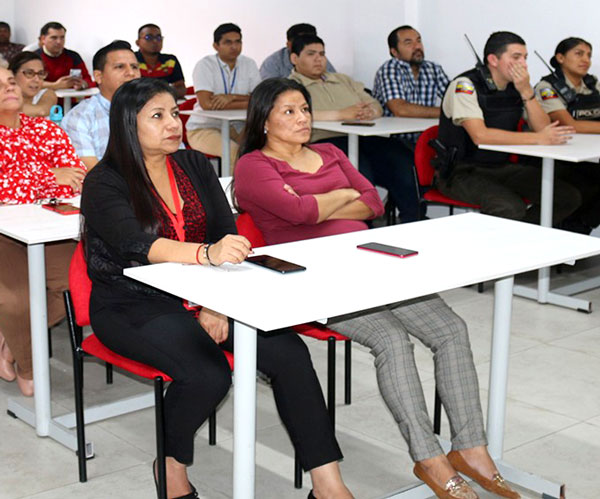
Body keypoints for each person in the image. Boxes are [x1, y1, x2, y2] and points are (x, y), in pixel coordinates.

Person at [234, 77, 521, 499]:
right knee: (391, 339)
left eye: (305, 109)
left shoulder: (330, 151)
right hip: (315, 278)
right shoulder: (254, 166)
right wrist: (338, 195)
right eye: (289, 111)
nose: (302, 118)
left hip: (373, 261)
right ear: (264, 121)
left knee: (451, 330)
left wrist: (323, 202)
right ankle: (429, 458)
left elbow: (374, 202)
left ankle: (471, 448)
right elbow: (296, 213)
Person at [80, 77, 353, 499]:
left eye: (174, 113)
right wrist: (207, 256)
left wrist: (218, 302)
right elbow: (135, 244)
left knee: (290, 354)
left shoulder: (193, 163)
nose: (173, 123)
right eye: (158, 116)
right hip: (132, 305)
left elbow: (226, 232)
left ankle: (328, 485)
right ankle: (170, 464)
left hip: (208, 293)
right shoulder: (105, 181)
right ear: (127, 125)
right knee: (207, 374)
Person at [434, 31, 581, 225]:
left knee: (566, 197)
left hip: (500, 167)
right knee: (509, 207)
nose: (524, 64)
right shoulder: (465, 85)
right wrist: (538, 139)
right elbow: (480, 136)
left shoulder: (516, 87)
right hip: (461, 171)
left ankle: (522, 240)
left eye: (525, 58)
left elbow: (545, 129)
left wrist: (527, 92)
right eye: (516, 57)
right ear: (493, 60)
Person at [0, 66, 85, 397]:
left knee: (77, 284)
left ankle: (10, 341)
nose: (9, 87)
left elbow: (75, 176)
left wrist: (28, 180)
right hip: (4, 233)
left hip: (47, 229)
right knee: (16, 301)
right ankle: (29, 364)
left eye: (10, 81)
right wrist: (49, 177)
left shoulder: (45, 129)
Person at [289, 34, 420, 223]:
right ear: (294, 58)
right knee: (359, 171)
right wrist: (343, 114)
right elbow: (298, 116)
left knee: (404, 160)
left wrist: (371, 112)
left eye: (322, 54)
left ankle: (412, 222)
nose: (319, 59)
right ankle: (363, 228)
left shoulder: (342, 79)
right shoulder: (292, 86)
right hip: (325, 142)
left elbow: (374, 103)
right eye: (311, 54)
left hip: (363, 136)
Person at [534, 37, 600, 233]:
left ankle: (581, 226)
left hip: (588, 154)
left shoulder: (592, 83)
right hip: (559, 158)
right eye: (579, 54)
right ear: (560, 58)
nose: (586, 60)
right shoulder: (546, 87)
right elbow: (569, 124)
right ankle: (571, 229)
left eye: (588, 55)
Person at [186, 23, 261, 159]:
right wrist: (248, 100)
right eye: (228, 42)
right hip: (204, 128)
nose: (234, 46)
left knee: (259, 150)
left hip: (237, 126)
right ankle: (236, 181)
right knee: (233, 152)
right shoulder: (205, 65)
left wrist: (231, 97)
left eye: (238, 42)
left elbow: (260, 98)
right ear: (216, 46)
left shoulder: (249, 64)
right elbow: (207, 104)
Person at [62, 41, 140, 170]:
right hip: (112, 188)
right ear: (98, 76)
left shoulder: (152, 110)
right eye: (120, 67)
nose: (131, 73)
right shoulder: (80, 118)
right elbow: (95, 175)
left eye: (134, 67)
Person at [372, 25, 449, 146]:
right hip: (392, 141)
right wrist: (446, 112)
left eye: (419, 40)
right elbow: (400, 109)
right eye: (408, 43)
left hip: (425, 139)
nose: (417, 46)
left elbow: (455, 99)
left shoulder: (433, 69)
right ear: (394, 52)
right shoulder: (389, 69)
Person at [259, 23, 336, 80]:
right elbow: (266, 93)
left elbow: (334, 82)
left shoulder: (319, 58)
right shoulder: (273, 63)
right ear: (288, 44)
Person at [34, 22, 93, 90]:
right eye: (54, 38)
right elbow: (28, 83)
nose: (59, 41)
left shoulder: (73, 56)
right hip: (45, 98)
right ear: (43, 39)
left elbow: (88, 79)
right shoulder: (33, 58)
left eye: (62, 37)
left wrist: (82, 84)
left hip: (71, 98)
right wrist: (55, 85)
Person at [135, 23, 186, 99]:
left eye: (159, 37)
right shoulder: (131, 60)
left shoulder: (170, 61)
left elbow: (181, 89)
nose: (155, 41)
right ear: (138, 42)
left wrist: (157, 96)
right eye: (149, 37)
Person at [8, 51, 57, 117]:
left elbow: (42, 111)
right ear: (12, 75)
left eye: (40, 73)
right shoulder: (3, 96)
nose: (36, 80)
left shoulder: (47, 94)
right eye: (29, 73)